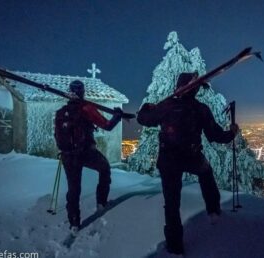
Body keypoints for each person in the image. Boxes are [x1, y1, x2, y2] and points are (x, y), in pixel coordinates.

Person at [137, 72, 239, 255]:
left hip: (168, 161)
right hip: (191, 156)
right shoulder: (201, 109)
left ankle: (175, 247)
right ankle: (213, 211)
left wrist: (147, 107)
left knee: (171, 202)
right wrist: (232, 133)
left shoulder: (166, 106)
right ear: (195, 89)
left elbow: (143, 119)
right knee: (206, 172)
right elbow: (215, 136)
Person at [54, 80, 122, 235]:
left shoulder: (61, 112)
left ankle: (74, 223)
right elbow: (107, 125)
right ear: (82, 92)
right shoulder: (87, 108)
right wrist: (117, 116)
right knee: (104, 168)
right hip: (85, 152)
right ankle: (101, 203)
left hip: (67, 155)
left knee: (73, 188)